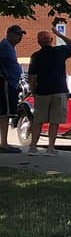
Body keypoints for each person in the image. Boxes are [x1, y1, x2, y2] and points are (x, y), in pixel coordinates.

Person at [27, 24, 71, 155]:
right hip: (59, 90)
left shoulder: (35, 56)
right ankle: (50, 148)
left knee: (38, 120)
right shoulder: (60, 51)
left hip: (42, 91)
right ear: (51, 40)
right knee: (55, 121)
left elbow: (31, 77)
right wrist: (59, 34)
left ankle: (32, 147)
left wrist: (33, 91)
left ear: (38, 42)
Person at [1, 24, 27, 152]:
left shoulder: (9, 47)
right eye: (17, 34)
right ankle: (4, 144)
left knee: (6, 113)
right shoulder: (4, 46)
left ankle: (4, 142)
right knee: (4, 114)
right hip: (5, 84)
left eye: (21, 35)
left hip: (11, 84)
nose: (20, 37)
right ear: (9, 34)